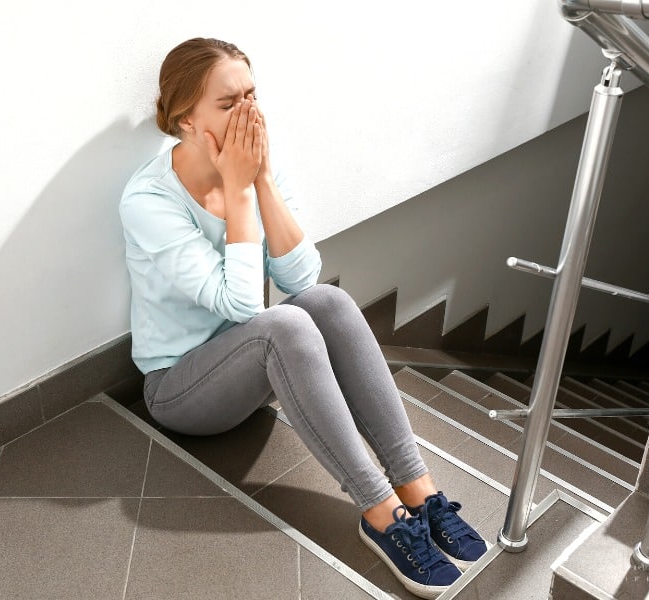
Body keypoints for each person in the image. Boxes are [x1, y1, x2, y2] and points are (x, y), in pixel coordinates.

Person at [119, 37, 486, 599]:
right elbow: (242, 306)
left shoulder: (255, 166)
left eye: (252, 95)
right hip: (180, 390)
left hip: (256, 363)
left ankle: (419, 490)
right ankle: (381, 515)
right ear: (185, 119)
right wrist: (240, 191)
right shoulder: (149, 200)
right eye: (227, 103)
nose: (247, 114)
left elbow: (302, 277)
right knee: (282, 326)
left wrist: (261, 179)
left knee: (330, 303)